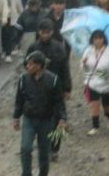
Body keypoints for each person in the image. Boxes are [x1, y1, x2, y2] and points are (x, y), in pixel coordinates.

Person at [13, 51, 67, 176]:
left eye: (31, 64)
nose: (27, 67)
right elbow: (19, 100)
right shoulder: (23, 80)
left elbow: (59, 102)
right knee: (25, 148)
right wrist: (16, 117)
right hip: (29, 120)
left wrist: (62, 118)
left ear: (39, 66)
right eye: (27, 64)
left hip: (46, 121)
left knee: (44, 152)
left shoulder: (53, 80)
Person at [24, 19, 71, 160]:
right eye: (42, 32)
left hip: (56, 88)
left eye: (48, 32)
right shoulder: (33, 48)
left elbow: (65, 68)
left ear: (52, 32)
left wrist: (67, 88)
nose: (45, 35)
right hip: (37, 88)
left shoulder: (59, 48)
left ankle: (55, 148)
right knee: (38, 116)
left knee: (58, 118)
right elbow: (26, 66)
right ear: (38, 32)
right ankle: (40, 142)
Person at [81, 30, 109, 135]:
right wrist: (84, 64)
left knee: (106, 105)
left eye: (100, 38)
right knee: (94, 104)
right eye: (95, 38)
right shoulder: (88, 50)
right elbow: (83, 67)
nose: (98, 40)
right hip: (93, 81)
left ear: (104, 39)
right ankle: (95, 126)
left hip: (107, 81)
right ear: (92, 39)